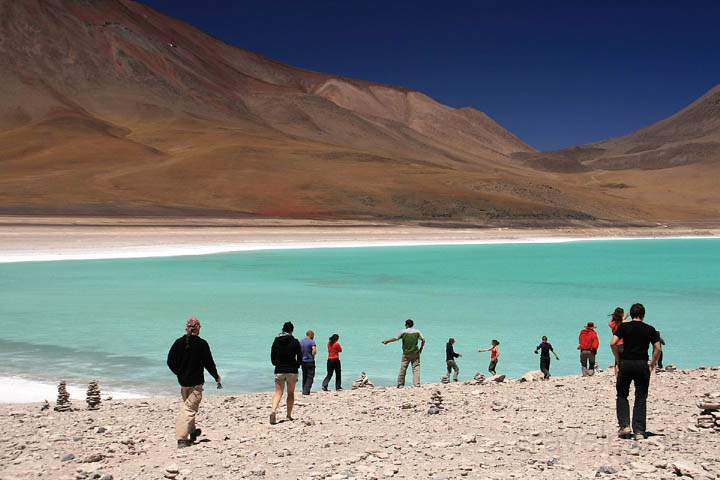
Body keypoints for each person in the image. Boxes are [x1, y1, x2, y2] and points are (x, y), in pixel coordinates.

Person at [167, 317, 222, 448]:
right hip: (196, 383)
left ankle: (192, 432)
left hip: (183, 383)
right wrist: (216, 377)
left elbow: (170, 362)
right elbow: (209, 363)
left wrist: (179, 373)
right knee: (188, 409)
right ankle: (181, 439)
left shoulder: (178, 342)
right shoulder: (202, 343)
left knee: (189, 408)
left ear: (186, 328)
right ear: (197, 328)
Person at [611, 303, 662, 440]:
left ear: (631, 314)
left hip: (626, 363)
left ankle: (625, 426)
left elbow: (613, 343)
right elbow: (657, 348)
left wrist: (618, 359)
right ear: (643, 315)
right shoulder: (650, 329)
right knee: (640, 397)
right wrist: (652, 363)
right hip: (641, 364)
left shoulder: (623, 327)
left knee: (622, 395)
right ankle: (639, 431)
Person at [270, 321, 302, 425]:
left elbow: (272, 355)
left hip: (279, 369)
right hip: (292, 370)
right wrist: (297, 365)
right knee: (291, 393)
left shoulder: (276, 341)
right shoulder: (295, 341)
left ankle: (273, 411)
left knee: (278, 392)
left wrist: (276, 364)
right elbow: (300, 356)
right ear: (292, 330)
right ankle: (288, 415)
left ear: (283, 329)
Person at [382, 319, 425, 388]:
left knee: (403, 368)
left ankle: (400, 384)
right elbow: (423, 340)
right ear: (412, 325)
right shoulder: (417, 332)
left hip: (406, 353)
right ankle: (416, 384)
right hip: (415, 353)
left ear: (406, 325)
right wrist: (421, 348)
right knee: (416, 368)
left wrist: (387, 341)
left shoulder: (403, 332)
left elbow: (395, 338)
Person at [300, 330, 317, 395]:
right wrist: (313, 354)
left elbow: (299, 351)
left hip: (303, 361)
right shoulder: (312, 342)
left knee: (304, 376)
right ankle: (306, 391)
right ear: (311, 335)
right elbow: (314, 350)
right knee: (310, 377)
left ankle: (304, 389)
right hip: (310, 361)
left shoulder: (301, 341)